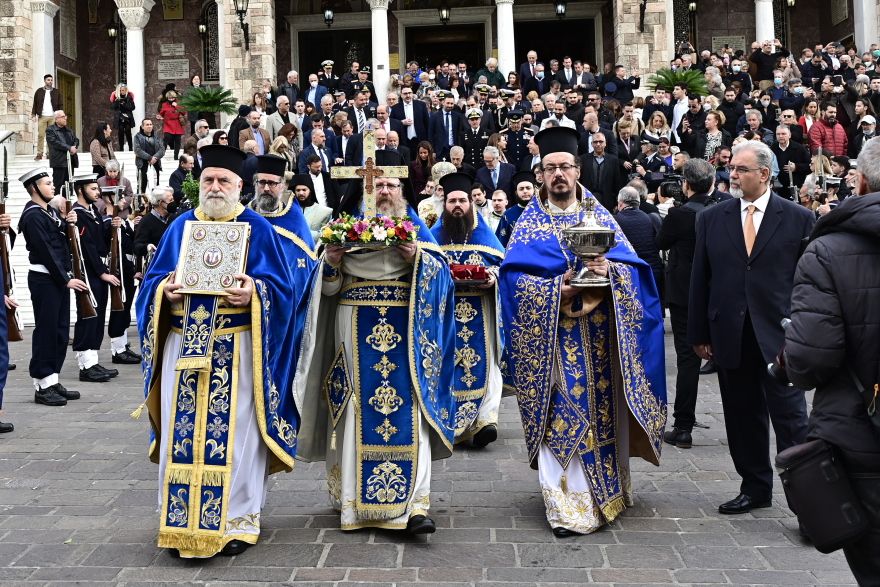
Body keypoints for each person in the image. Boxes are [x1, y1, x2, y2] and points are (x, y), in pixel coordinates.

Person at [498, 126, 666, 536]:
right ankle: (566, 506)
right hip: (553, 342)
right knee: (562, 416)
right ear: (540, 174)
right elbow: (513, 282)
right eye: (551, 168)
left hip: (601, 340)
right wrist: (559, 288)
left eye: (565, 167)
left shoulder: (600, 216)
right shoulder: (527, 224)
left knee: (602, 417)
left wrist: (612, 273)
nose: (559, 175)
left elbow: (636, 271)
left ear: (578, 171)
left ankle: (607, 493)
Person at [136, 145, 301, 558]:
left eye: (223, 180)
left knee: (238, 435)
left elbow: (284, 291)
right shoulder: (180, 226)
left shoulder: (258, 228)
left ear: (238, 186)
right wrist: (164, 290)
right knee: (182, 432)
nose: (214, 187)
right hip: (183, 346)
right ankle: (179, 521)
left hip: (239, 347)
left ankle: (236, 521)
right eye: (208, 179)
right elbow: (149, 286)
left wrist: (254, 292)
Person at [294, 170, 456, 536]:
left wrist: (417, 257)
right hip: (352, 331)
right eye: (377, 185)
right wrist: (332, 262)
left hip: (407, 334)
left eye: (391, 185)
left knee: (410, 408)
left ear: (402, 190)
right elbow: (327, 290)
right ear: (365, 189)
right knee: (353, 410)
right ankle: (354, 503)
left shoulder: (415, 227)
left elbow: (442, 278)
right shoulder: (344, 227)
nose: (383, 191)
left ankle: (413, 506)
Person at [688, 140, 815, 515]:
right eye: (731, 167)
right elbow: (701, 279)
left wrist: (806, 334)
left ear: (764, 174)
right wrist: (699, 334)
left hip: (782, 340)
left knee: (792, 422)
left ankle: (807, 505)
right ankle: (755, 487)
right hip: (730, 334)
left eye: (741, 169)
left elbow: (809, 284)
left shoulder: (798, 218)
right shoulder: (712, 218)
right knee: (742, 417)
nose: (732, 174)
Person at [784, 138, 880, 584]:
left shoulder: (829, 250)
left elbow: (809, 359)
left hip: (862, 437)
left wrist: (787, 361)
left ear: (859, 181)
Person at [431, 172, 506, 446]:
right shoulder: (434, 235)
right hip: (447, 312)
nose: (458, 206)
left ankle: (486, 420)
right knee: (449, 365)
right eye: (452, 201)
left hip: (480, 309)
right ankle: (453, 421)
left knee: (487, 364)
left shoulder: (485, 234)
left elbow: (503, 266)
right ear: (445, 203)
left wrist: (493, 278)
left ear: (471, 203)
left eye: (462, 200)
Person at [654, 158, 718, 448]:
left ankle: (683, 427)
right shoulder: (722, 212)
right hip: (716, 295)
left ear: (686, 185)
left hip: (684, 297)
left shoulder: (678, 216)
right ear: (713, 184)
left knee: (688, 358)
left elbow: (660, 244)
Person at [18, 168, 84, 406]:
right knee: (46, 331)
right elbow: (46, 252)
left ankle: (52, 380)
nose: (53, 187)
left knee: (59, 331)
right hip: (46, 279)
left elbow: (62, 242)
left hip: (56, 279)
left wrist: (71, 223)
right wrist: (65, 279)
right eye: (48, 183)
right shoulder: (33, 215)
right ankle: (42, 384)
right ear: (35, 188)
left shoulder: (50, 212)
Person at [67, 174, 120, 383]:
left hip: (98, 270)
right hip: (88, 272)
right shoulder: (77, 214)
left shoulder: (94, 214)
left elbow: (100, 242)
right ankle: (85, 365)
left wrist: (111, 226)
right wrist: (101, 273)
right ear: (81, 190)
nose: (98, 192)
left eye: (97, 188)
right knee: (88, 316)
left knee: (97, 316)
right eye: (92, 189)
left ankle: (93, 361)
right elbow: (86, 248)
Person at [248, 156, 318, 288]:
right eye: (262, 182)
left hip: (287, 290)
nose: (266, 188)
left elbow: (304, 264)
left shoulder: (294, 219)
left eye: (272, 183)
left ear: (283, 186)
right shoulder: (246, 217)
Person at [99, 185, 141, 365]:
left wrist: (136, 227)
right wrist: (111, 228)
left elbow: (130, 242)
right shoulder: (106, 222)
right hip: (119, 270)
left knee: (125, 308)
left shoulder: (121, 221)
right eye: (120, 197)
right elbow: (103, 243)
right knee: (119, 308)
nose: (124, 200)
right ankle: (117, 349)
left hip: (128, 269)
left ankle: (123, 346)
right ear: (110, 199)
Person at [578, 132, 623, 211]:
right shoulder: (583, 159)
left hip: (607, 200)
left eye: (600, 142)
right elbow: (580, 180)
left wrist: (616, 203)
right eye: (595, 142)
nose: (598, 144)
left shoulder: (613, 160)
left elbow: (617, 182)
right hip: (588, 199)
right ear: (592, 144)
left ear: (605, 143)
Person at [133, 186, 175, 264]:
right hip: (157, 266)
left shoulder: (174, 218)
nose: (173, 202)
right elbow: (137, 246)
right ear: (160, 203)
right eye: (170, 200)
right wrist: (147, 246)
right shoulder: (146, 221)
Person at [495, 170, 537, 247]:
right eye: (521, 189)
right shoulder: (508, 215)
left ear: (534, 190)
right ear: (516, 192)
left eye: (528, 188)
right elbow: (501, 244)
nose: (525, 191)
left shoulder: (543, 211)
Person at [772, 124, 811, 198]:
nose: (780, 136)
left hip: (797, 186)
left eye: (783, 134)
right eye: (778, 134)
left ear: (790, 135)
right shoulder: (773, 148)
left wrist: (796, 167)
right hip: (779, 187)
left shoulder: (800, 148)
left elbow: (809, 166)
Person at [293, 172, 333, 241]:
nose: (301, 193)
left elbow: (326, 234)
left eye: (304, 190)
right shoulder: (287, 210)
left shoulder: (325, 212)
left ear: (310, 191)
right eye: (298, 190)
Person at [31, 74, 62, 160]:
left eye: (51, 80)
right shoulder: (39, 91)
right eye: (48, 80)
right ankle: (39, 153)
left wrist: (60, 115)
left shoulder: (57, 92)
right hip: (42, 116)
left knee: (52, 136)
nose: (50, 81)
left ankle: (50, 153)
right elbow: (35, 104)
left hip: (53, 117)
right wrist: (33, 115)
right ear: (45, 81)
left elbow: (60, 105)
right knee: (41, 135)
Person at [46, 111, 79, 189]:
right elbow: (54, 142)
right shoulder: (51, 130)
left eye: (65, 116)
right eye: (63, 117)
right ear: (56, 119)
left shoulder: (68, 130)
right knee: (59, 185)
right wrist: (69, 148)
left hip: (70, 161)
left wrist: (74, 146)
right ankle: (57, 200)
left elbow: (76, 139)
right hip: (59, 161)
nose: (65, 119)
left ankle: (67, 200)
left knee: (69, 185)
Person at [134, 119, 165, 192]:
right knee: (142, 186)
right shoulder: (138, 137)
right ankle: (141, 201)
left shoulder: (156, 136)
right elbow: (137, 150)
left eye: (151, 124)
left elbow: (162, 148)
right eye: (147, 125)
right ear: (142, 126)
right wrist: (150, 158)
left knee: (156, 187)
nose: (149, 126)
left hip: (155, 163)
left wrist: (155, 158)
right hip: (142, 164)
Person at [158, 91, 186, 160]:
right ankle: (162, 151)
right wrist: (158, 116)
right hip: (168, 123)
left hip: (177, 123)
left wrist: (176, 106)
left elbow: (184, 112)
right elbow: (161, 113)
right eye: (169, 98)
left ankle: (176, 156)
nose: (171, 99)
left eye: (172, 98)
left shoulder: (179, 103)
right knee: (167, 136)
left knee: (177, 140)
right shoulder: (165, 105)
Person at [111, 84, 136, 151]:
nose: (122, 91)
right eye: (120, 90)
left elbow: (132, 107)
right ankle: (121, 148)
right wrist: (117, 101)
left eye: (123, 90)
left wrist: (124, 104)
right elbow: (112, 107)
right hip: (119, 117)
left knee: (128, 131)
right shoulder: (116, 97)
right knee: (121, 132)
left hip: (127, 117)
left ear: (126, 90)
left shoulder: (129, 97)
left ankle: (130, 147)